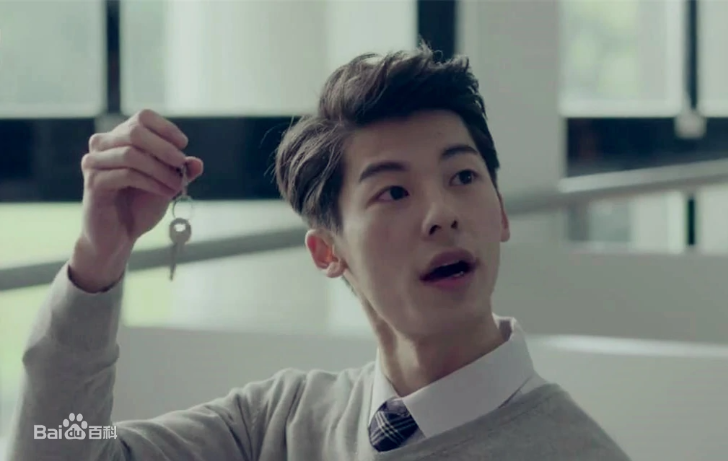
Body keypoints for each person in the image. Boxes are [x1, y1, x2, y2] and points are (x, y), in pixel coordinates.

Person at [6, 44, 630, 460]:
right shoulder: (277, 425)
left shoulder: (573, 450)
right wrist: (99, 255)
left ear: (501, 213)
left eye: (463, 177)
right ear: (328, 251)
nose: (442, 213)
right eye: (393, 191)